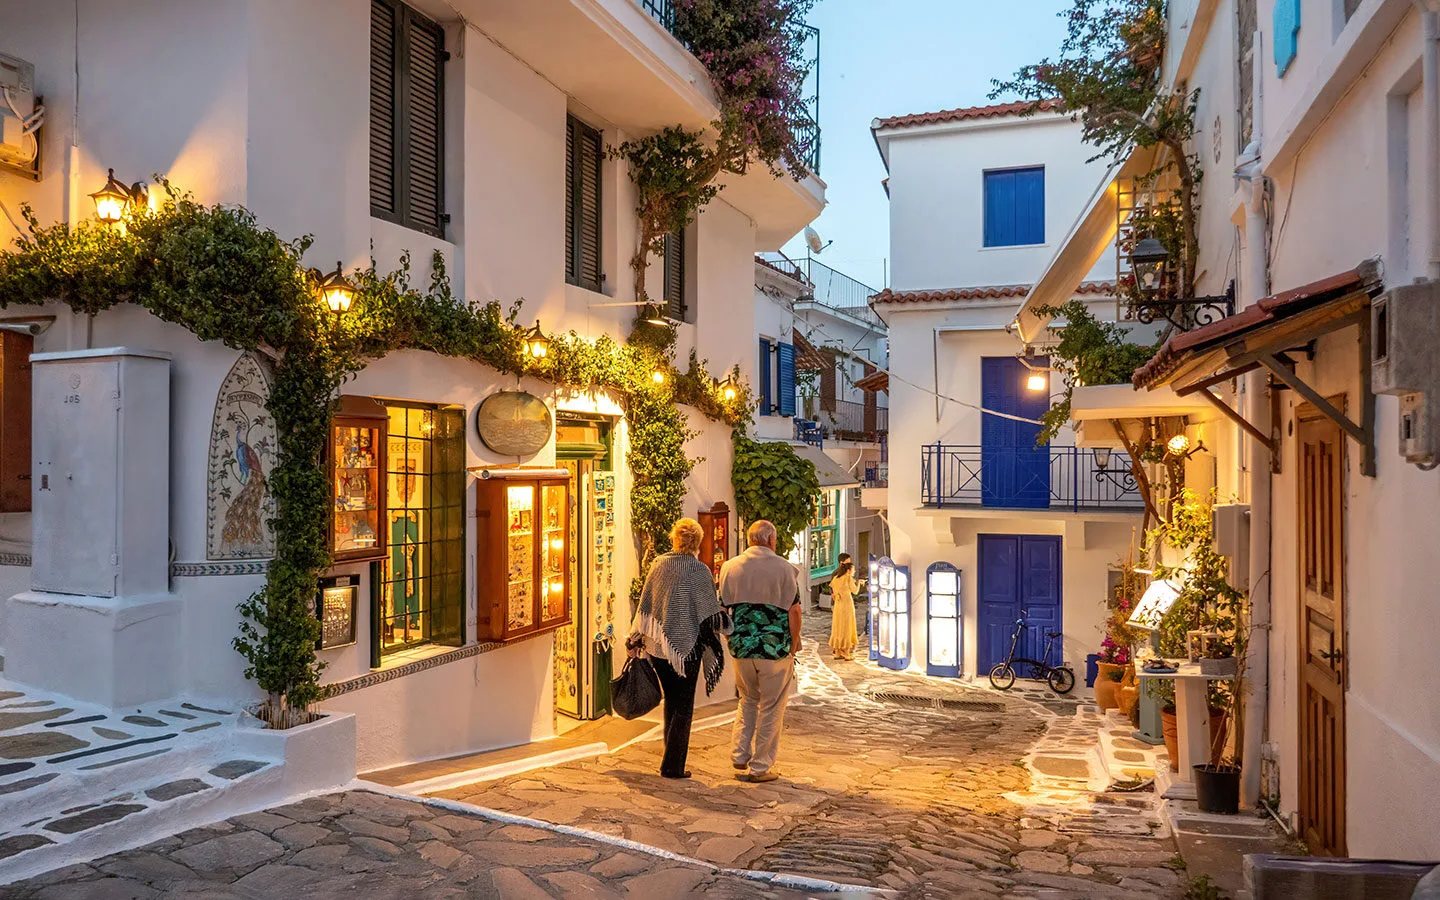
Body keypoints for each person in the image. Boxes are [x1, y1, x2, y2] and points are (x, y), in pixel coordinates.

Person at [628, 518, 726, 779]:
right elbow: (709, 614)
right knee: (683, 705)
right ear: (698, 541)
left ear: (674, 538)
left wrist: (635, 638)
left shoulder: (659, 565)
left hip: (659, 649)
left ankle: (669, 756)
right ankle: (673, 766)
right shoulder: (699, 571)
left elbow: (644, 606)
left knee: (672, 700)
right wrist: (724, 628)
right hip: (688, 651)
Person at [719, 520, 801, 783]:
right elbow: (794, 610)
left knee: (747, 699)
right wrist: (794, 642)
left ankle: (739, 754)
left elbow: (723, 607)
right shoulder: (785, 569)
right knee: (772, 706)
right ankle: (760, 766)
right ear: (771, 540)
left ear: (749, 539)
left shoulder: (729, 567)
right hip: (773, 647)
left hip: (741, 647)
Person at [828, 555, 862, 661]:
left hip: (838, 605)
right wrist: (859, 583)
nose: (854, 571)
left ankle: (837, 652)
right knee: (847, 627)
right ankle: (847, 652)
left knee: (838, 627)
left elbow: (832, 590)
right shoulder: (848, 578)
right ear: (848, 570)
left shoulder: (835, 578)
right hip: (847, 604)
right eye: (853, 569)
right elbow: (855, 591)